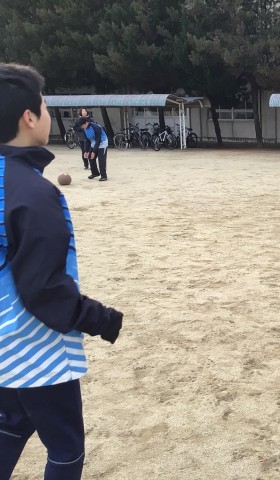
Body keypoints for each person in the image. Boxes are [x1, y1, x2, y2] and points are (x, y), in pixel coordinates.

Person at [0, 63, 123, 480]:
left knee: (10, 427)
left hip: (3, 350)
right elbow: (44, 288)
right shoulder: (34, 194)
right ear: (29, 117)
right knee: (66, 449)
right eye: (45, 106)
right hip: (33, 347)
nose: (49, 115)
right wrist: (100, 319)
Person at [78, 116, 108, 181]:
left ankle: (104, 176)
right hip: (94, 142)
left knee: (101, 160)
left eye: (83, 125)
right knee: (90, 157)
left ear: (86, 122)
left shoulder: (96, 127)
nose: (82, 127)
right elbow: (87, 140)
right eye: (81, 126)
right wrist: (86, 151)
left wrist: (94, 152)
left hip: (102, 143)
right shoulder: (84, 128)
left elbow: (98, 140)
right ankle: (95, 173)